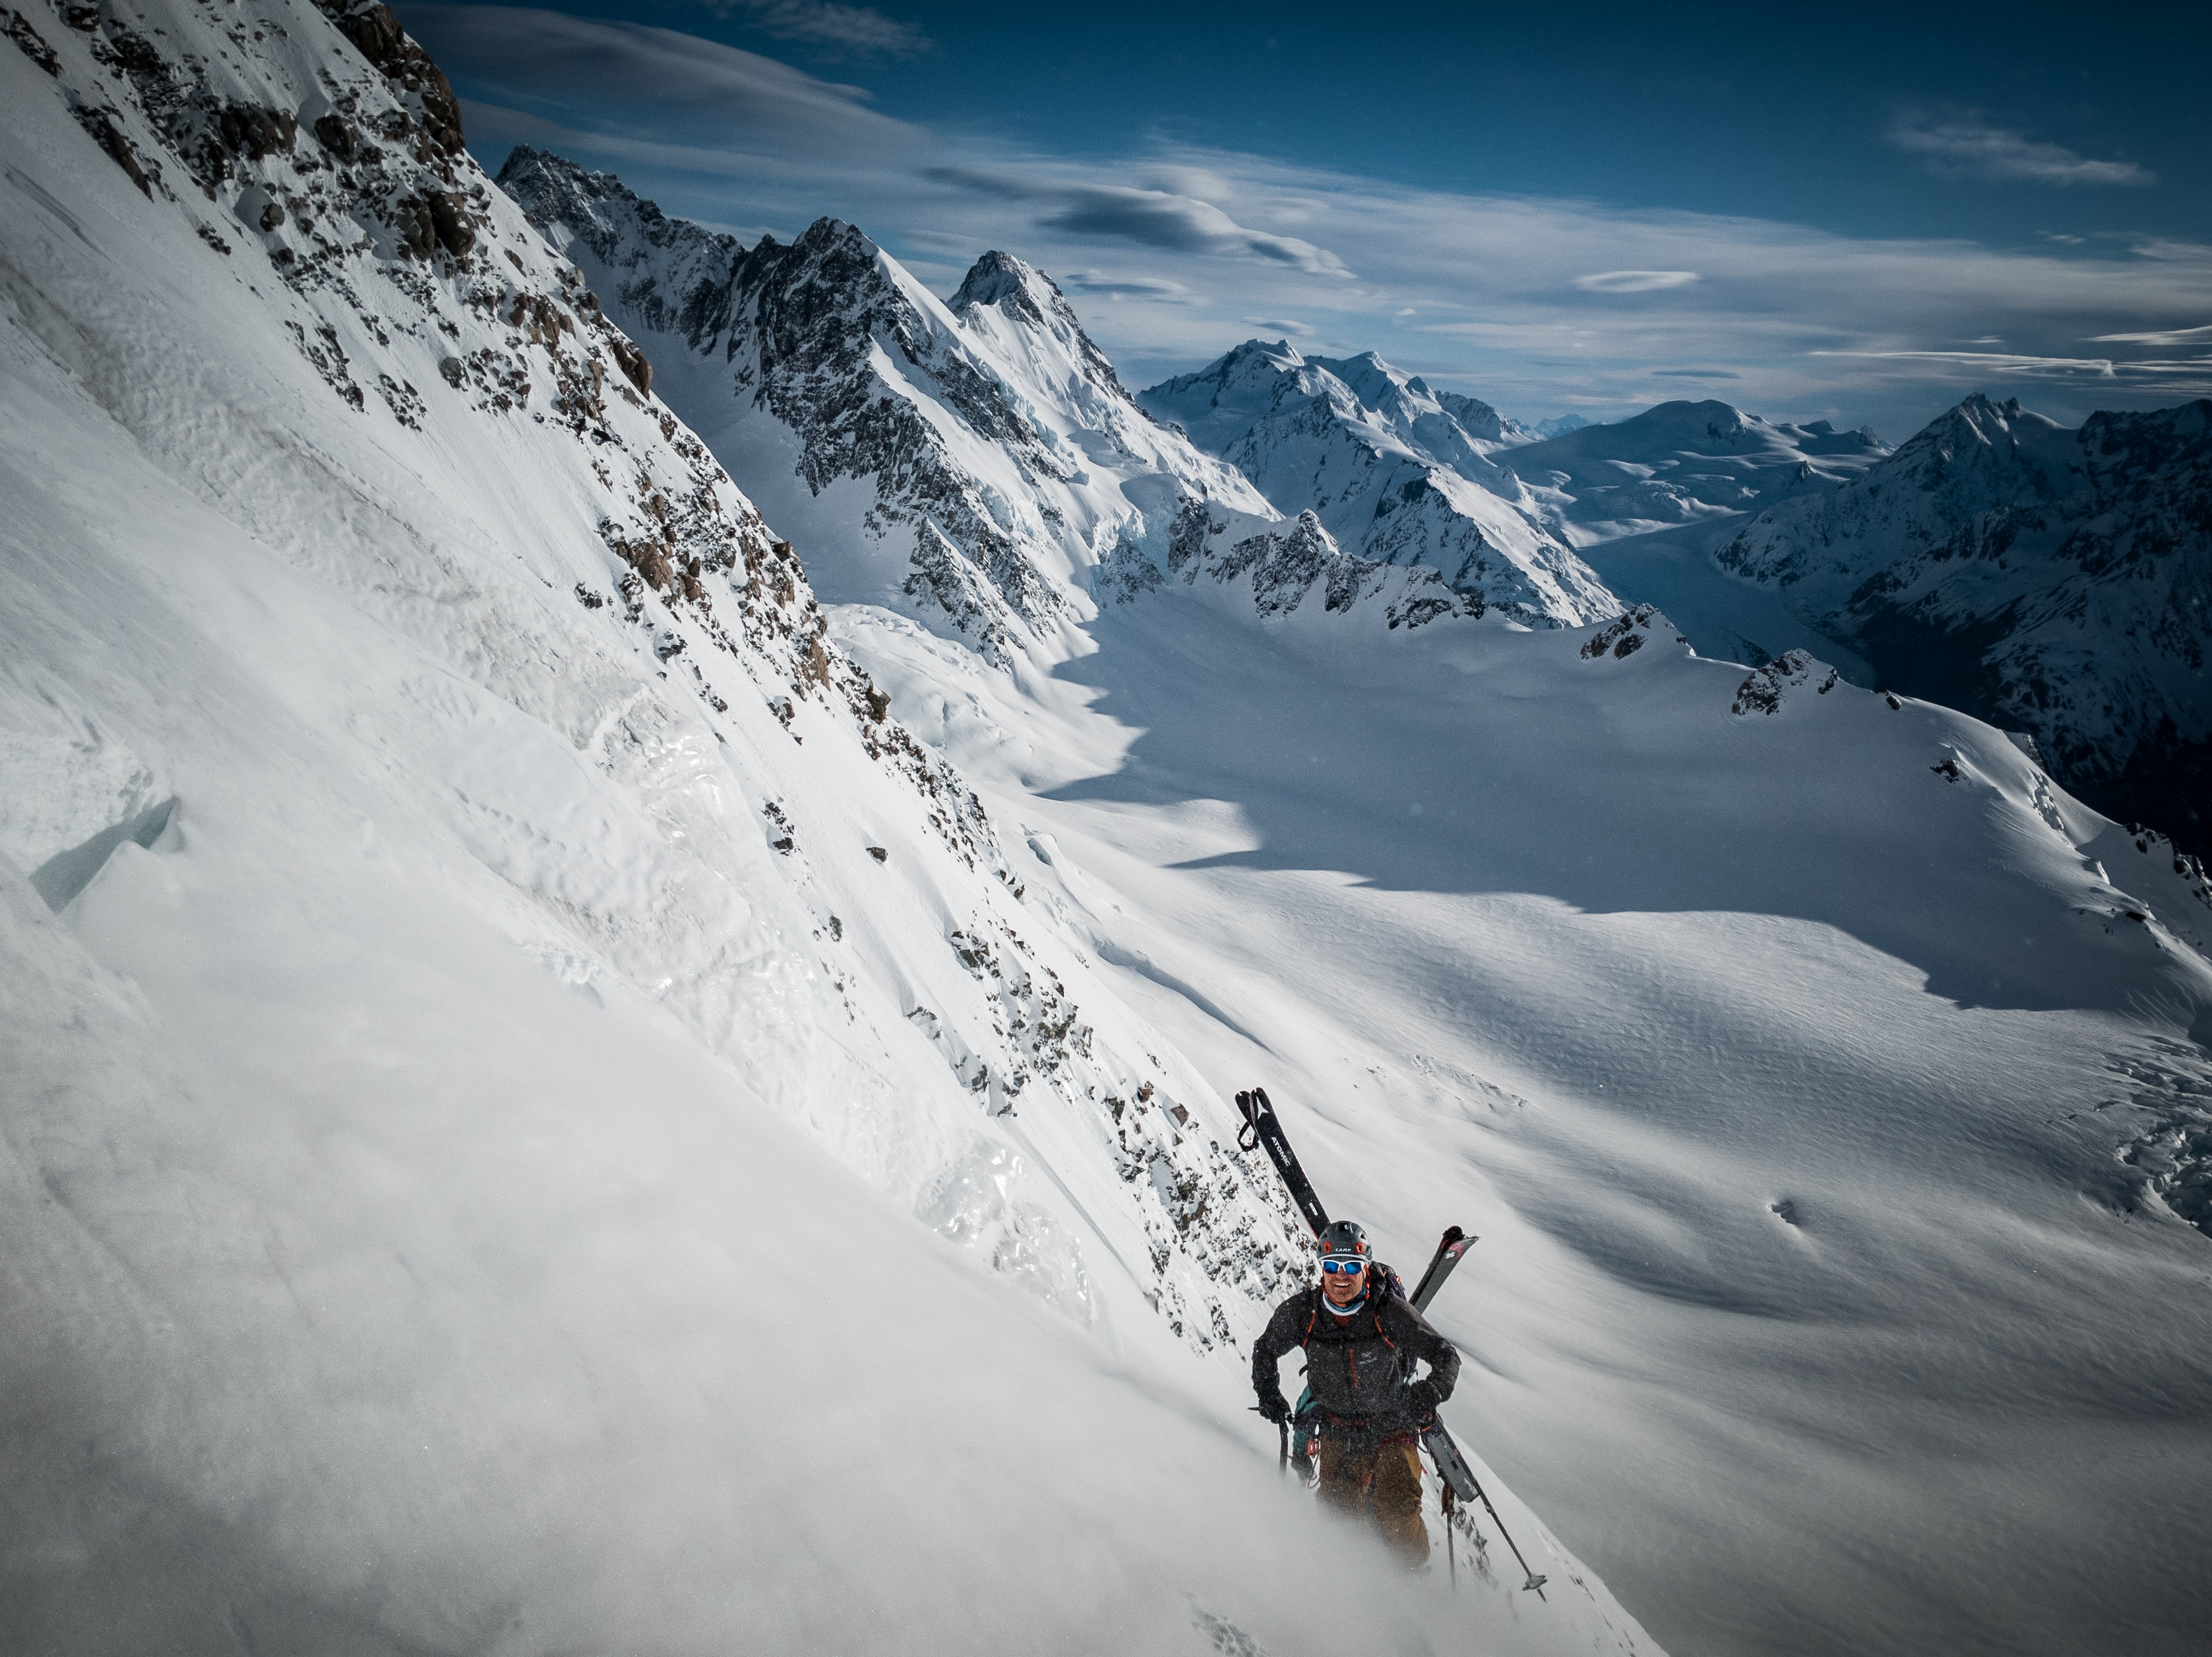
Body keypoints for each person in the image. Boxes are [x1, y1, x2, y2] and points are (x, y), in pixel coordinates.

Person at [1251, 1219, 1460, 1569]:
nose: (1341, 1277)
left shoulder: (1387, 1312)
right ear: (1322, 1269)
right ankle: (1363, 1595)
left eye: (1351, 1267)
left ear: (1365, 1269)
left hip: (1391, 1425)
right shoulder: (1304, 1314)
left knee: (1396, 1511)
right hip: (1337, 1429)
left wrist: (1431, 1390)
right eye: (1332, 1267)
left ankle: (1414, 1575)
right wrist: (1269, 1393)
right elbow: (1266, 1349)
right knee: (1338, 1527)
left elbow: (1445, 1356)